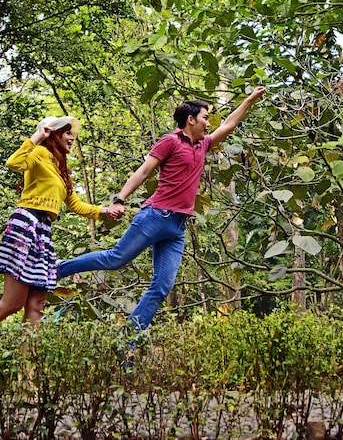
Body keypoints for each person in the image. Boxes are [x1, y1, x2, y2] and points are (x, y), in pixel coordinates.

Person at [57, 86, 266, 334]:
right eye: (205, 118)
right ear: (191, 119)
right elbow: (144, 172)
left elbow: (229, 125)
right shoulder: (170, 141)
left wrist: (250, 100)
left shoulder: (203, 145)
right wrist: (119, 199)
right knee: (115, 259)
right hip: (155, 216)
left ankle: (129, 338)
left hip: (177, 227)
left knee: (162, 286)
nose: (208, 124)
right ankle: (56, 270)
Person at [0, 116, 118, 326]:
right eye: (67, 133)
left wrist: (104, 211)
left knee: (37, 303)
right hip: (26, 224)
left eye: (72, 134)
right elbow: (13, 163)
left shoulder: (61, 170)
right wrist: (38, 136)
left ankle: (29, 358)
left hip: (43, 232)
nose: (72, 138)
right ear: (54, 134)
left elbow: (75, 205)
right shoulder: (40, 153)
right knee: (12, 302)